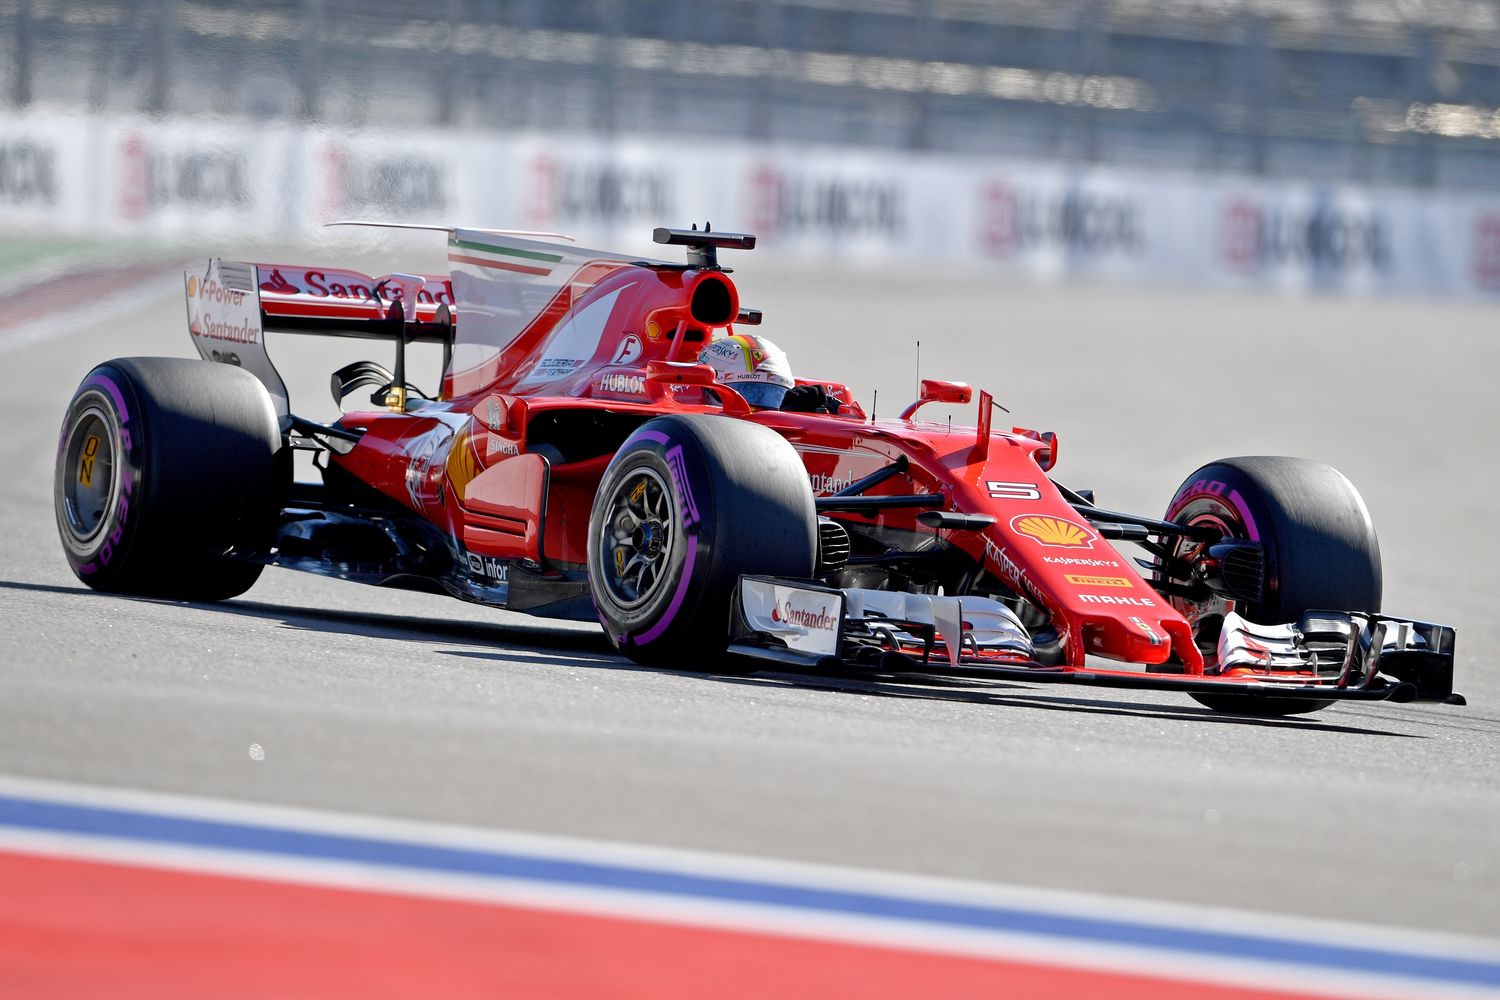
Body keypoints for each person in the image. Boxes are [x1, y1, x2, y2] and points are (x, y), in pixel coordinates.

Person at [697, 333, 841, 413]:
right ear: (709, 388)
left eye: (772, 394)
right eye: (747, 391)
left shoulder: (789, 407)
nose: (759, 408)